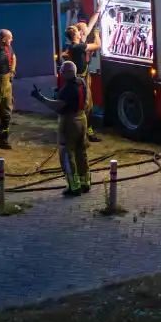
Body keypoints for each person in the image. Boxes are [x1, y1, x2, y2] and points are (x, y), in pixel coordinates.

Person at [31, 61, 91, 197]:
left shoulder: (67, 89)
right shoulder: (81, 82)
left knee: (66, 153)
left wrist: (40, 98)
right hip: (82, 119)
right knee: (81, 152)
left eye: (62, 71)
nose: (60, 73)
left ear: (68, 73)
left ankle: (73, 186)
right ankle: (85, 182)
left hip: (69, 121)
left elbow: (57, 106)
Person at [63, 15, 103, 143]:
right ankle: (85, 133)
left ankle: (85, 131)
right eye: (80, 31)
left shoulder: (72, 47)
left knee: (85, 106)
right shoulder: (79, 47)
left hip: (80, 80)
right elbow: (97, 45)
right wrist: (97, 33)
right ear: (77, 34)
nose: (82, 33)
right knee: (87, 107)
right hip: (83, 81)